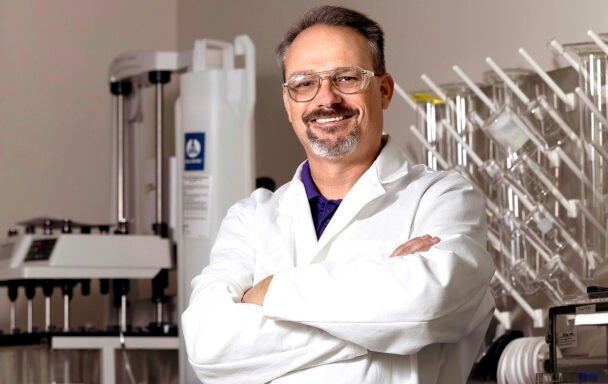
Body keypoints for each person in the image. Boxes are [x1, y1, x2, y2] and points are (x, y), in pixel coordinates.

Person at [181, 5, 495, 383]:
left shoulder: (442, 197)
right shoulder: (251, 217)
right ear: (288, 103)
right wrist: (385, 330)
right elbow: (208, 346)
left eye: (346, 78)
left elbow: (429, 304)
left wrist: (271, 292)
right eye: (304, 83)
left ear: (383, 90)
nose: (325, 99)